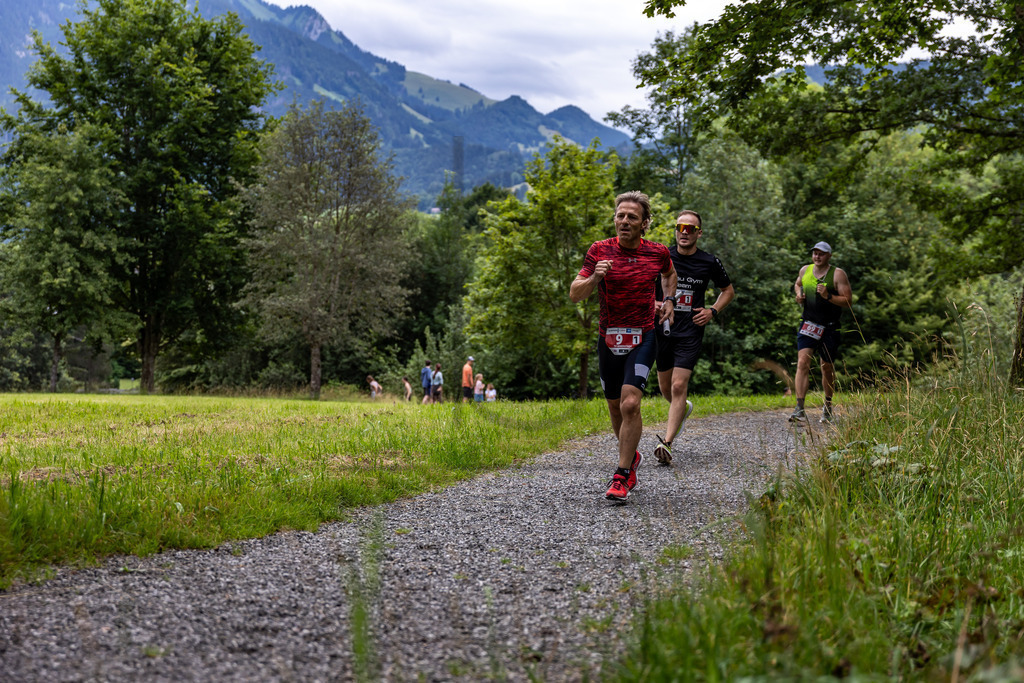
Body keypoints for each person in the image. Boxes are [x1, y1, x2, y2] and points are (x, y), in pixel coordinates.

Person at [569, 190, 676, 502]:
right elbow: (575, 294)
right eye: (620, 216)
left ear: (644, 223)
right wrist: (594, 278)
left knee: (631, 404)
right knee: (615, 405)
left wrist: (668, 299)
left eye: (632, 217)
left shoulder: (657, 252)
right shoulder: (599, 250)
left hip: (644, 334)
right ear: (614, 219)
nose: (625, 221)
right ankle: (631, 459)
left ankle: (621, 476)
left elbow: (670, 275)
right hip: (609, 336)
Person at [653, 210, 735, 467]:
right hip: (663, 328)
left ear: (699, 233)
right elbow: (644, 286)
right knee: (666, 389)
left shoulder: (709, 262)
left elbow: (728, 291)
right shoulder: (661, 256)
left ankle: (665, 443)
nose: (685, 232)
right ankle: (683, 408)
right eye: (681, 227)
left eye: (691, 228)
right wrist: (653, 303)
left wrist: (712, 310)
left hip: (690, 330)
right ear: (676, 230)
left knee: (678, 386)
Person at [790, 241, 852, 423]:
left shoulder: (837, 274)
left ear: (829, 256)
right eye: (815, 253)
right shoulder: (805, 270)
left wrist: (828, 296)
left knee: (826, 367)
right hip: (808, 324)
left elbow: (848, 300)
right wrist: (799, 295)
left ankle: (827, 405)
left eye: (821, 254)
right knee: (802, 362)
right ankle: (799, 408)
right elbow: (797, 284)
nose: (817, 256)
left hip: (830, 327)